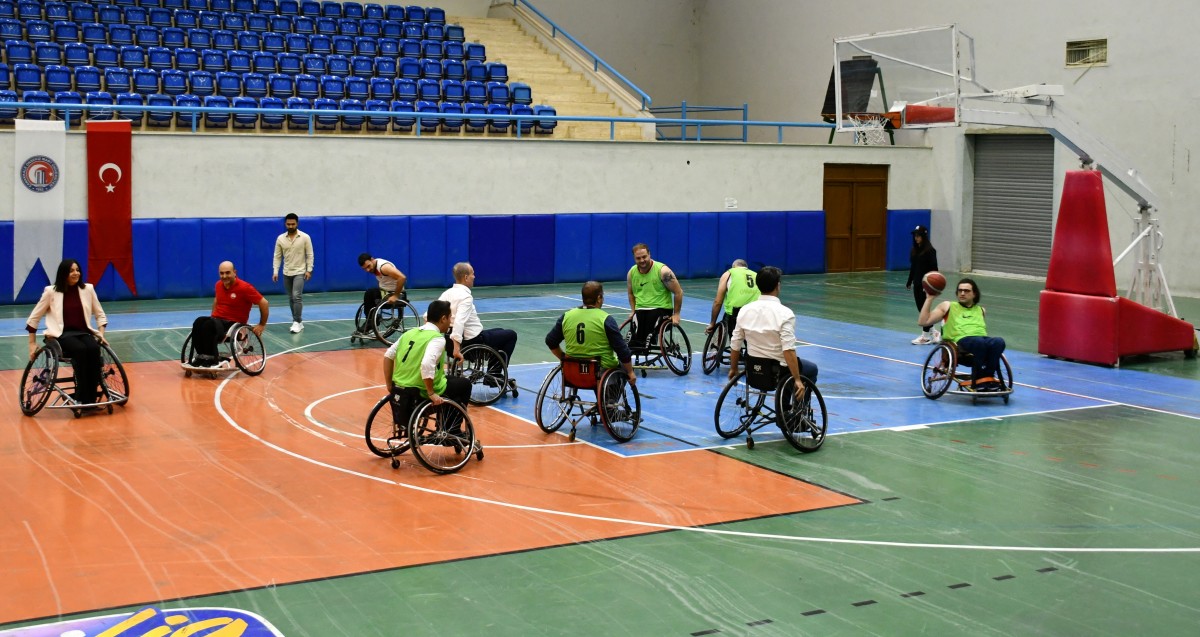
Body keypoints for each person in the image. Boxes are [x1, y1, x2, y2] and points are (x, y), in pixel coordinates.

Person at [383, 299, 473, 436]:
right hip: (419, 391)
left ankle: (444, 423)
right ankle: (451, 430)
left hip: (400, 388)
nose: (450, 322)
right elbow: (426, 364)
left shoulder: (409, 333)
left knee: (451, 380)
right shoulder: (437, 338)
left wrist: (389, 384)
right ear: (443, 319)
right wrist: (431, 393)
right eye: (450, 318)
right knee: (464, 385)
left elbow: (388, 355)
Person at [25, 259, 109, 406]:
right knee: (80, 350)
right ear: (63, 274)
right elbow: (34, 318)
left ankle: (91, 393)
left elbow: (100, 315)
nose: (76, 273)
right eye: (71, 271)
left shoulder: (88, 289)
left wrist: (101, 333)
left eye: (77, 270)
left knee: (94, 349)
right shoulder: (51, 292)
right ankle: (82, 395)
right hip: (60, 335)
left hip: (83, 333)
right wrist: (32, 343)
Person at [728, 266, 817, 400]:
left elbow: (735, 344)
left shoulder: (745, 310)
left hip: (753, 368)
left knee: (783, 367)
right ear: (778, 286)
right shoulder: (785, 313)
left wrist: (733, 368)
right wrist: (797, 379)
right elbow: (788, 350)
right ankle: (794, 412)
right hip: (778, 371)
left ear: (758, 286)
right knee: (811, 369)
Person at [918, 278, 1006, 392]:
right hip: (959, 343)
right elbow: (923, 322)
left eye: (966, 291)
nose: (962, 293)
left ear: (974, 294)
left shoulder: (981, 310)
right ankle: (980, 379)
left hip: (981, 340)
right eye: (960, 290)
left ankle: (988, 377)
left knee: (999, 341)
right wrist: (929, 299)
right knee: (978, 343)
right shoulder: (948, 306)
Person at [438, 262, 518, 388]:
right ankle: (494, 375)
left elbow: (428, 316)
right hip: (473, 342)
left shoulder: (446, 294)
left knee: (500, 331)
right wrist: (456, 348)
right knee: (511, 335)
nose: (474, 277)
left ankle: (493, 373)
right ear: (465, 277)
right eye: (472, 274)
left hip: (448, 342)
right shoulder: (465, 297)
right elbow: (459, 321)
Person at [544, 281, 637, 387]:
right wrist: (630, 372)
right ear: (598, 298)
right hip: (600, 373)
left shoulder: (566, 316)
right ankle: (611, 400)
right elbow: (622, 351)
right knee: (625, 365)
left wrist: (563, 357)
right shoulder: (605, 319)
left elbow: (550, 341)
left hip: (572, 372)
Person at [189, 261, 269, 369]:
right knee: (199, 322)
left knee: (209, 325)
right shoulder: (218, 285)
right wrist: (212, 316)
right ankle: (201, 356)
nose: (224, 276)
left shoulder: (245, 288)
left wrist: (262, 324)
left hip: (233, 325)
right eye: (221, 273)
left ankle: (211, 358)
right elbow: (216, 301)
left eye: (227, 273)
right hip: (217, 322)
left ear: (234, 272)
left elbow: (264, 303)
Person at [625, 243, 684, 351]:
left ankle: (648, 341)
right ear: (634, 258)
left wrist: (676, 314)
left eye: (644, 257)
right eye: (638, 258)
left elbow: (678, 292)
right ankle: (633, 345)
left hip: (661, 308)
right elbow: (630, 293)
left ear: (649, 254)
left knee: (651, 322)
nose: (642, 260)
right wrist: (633, 310)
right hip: (641, 309)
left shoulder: (663, 271)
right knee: (635, 326)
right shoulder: (631, 273)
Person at [272, 212, 314, 334]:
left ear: (297, 224)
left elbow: (310, 254)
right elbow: (277, 256)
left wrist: (309, 270)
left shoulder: (305, 237)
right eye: (288, 224)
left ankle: (297, 321)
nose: (290, 226)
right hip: (286, 272)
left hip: (300, 272)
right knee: (291, 298)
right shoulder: (280, 238)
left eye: (293, 224)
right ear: (285, 224)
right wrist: (275, 271)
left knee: (296, 296)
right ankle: (298, 321)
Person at [706, 259, 760, 337]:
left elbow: (718, 302)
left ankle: (719, 346)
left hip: (736, 313)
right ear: (746, 267)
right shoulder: (757, 275)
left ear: (734, 266)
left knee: (727, 322)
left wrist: (712, 323)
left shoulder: (729, 273)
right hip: (755, 313)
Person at [906, 225, 940, 345]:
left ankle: (926, 336)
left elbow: (935, 269)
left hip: (926, 286)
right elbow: (913, 267)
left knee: (923, 311)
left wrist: (931, 287)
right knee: (921, 309)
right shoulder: (915, 250)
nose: (916, 238)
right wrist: (910, 281)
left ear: (924, 236)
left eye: (919, 235)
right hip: (917, 284)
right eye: (915, 235)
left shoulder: (930, 251)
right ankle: (933, 332)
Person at [357, 252, 408, 329]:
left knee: (369, 293)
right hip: (386, 292)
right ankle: (372, 319)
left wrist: (395, 296)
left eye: (368, 266)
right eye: (364, 269)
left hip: (395, 294)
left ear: (372, 260)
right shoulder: (374, 267)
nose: (367, 270)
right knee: (371, 294)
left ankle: (371, 321)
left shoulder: (384, 267)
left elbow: (402, 278)